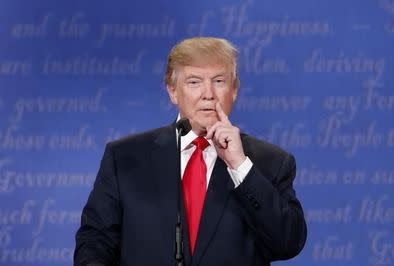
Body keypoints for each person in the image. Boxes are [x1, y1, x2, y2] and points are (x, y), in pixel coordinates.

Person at [74, 37, 307, 266]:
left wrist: (240, 166)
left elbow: (288, 243)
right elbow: (94, 243)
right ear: (173, 91)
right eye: (194, 82)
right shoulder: (124, 157)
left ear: (234, 90)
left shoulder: (271, 162)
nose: (208, 94)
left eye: (218, 81)